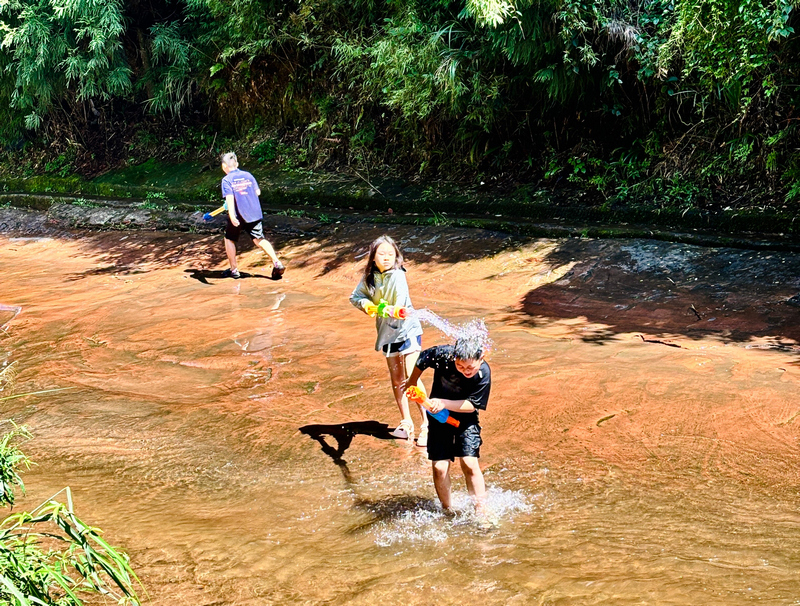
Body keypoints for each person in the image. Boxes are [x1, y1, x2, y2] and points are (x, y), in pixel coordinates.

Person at [403, 337, 492, 524]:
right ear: (454, 358)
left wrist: (443, 403)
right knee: (439, 468)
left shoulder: (484, 372)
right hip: (438, 418)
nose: (466, 371)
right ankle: (447, 511)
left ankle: (481, 512)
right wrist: (412, 381)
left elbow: (472, 405)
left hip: (465, 418)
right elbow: (423, 359)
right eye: (460, 367)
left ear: (481, 358)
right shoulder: (443, 355)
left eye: (470, 368)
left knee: (469, 462)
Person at [350, 235, 428, 444]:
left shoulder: (398, 275)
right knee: (396, 379)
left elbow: (399, 305)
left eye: (390, 254)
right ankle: (406, 423)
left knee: (412, 377)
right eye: (381, 254)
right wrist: (368, 306)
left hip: (408, 332)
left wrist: (387, 308)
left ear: (396, 257)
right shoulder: (370, 277)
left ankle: (427, 425)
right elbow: (355, 297)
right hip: (387, 334)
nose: (386, 258)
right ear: (373, 256)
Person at [219, 152, 285, 280]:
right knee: (259, 239)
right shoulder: (248, 175)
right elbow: (257, 192)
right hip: (253, 212)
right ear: (237, 164)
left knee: (229, 239)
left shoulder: (226, 180)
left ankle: (234, 270)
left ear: (223, 166)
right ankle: (277, 263)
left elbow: (230, 198)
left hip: (238, 214)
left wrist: (232, 214)